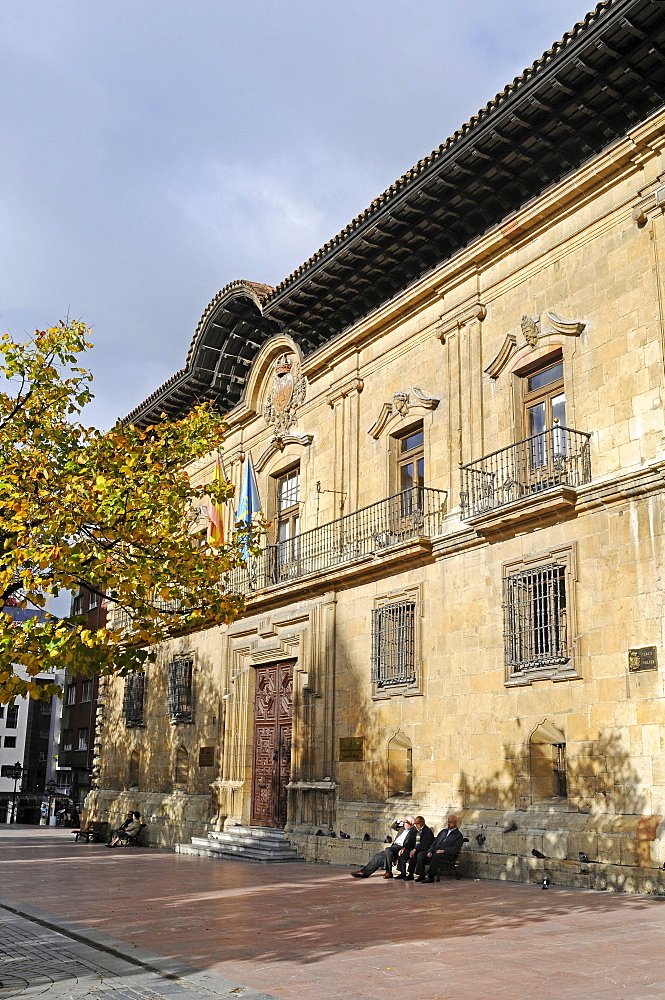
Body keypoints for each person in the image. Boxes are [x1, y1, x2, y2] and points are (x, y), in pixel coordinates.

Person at [350, 816, 415, 879]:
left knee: (388, 849)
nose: (404, 823)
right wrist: (399, 820)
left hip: (402, 848)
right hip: (394, 847)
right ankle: (364, 872)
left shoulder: (414, 831)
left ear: (411, 823)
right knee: (378, 856)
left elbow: (411, 842)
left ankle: (388, 872)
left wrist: (405, 848)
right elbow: (393, 826)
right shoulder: (402, 828)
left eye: (406, 822)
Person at [415, 814, 464, 883]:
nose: (449, 824)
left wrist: (443, 850)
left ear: (456, 822)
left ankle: (431, 876)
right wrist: (430, 851)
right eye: (448, 822)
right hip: (436, 851)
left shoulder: (458, 835)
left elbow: (455, 848)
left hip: (447, 854)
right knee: (421, 855)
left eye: (451, 822)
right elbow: (434, 843)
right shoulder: (443, 832)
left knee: (436, 856)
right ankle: (421, 875)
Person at [394, 815, 434, 880]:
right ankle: (403, 872)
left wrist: (415, 849)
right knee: (403, 854)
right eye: (415, 824)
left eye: (417, 824)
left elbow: (425, 844)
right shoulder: (416, 831)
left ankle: (420, 875)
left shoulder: (427, 831)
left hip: (422, 850)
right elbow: (411, 841)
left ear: (422, 823)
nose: (416, 825)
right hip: (415, 850)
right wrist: (404, 848)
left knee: (416, 855)